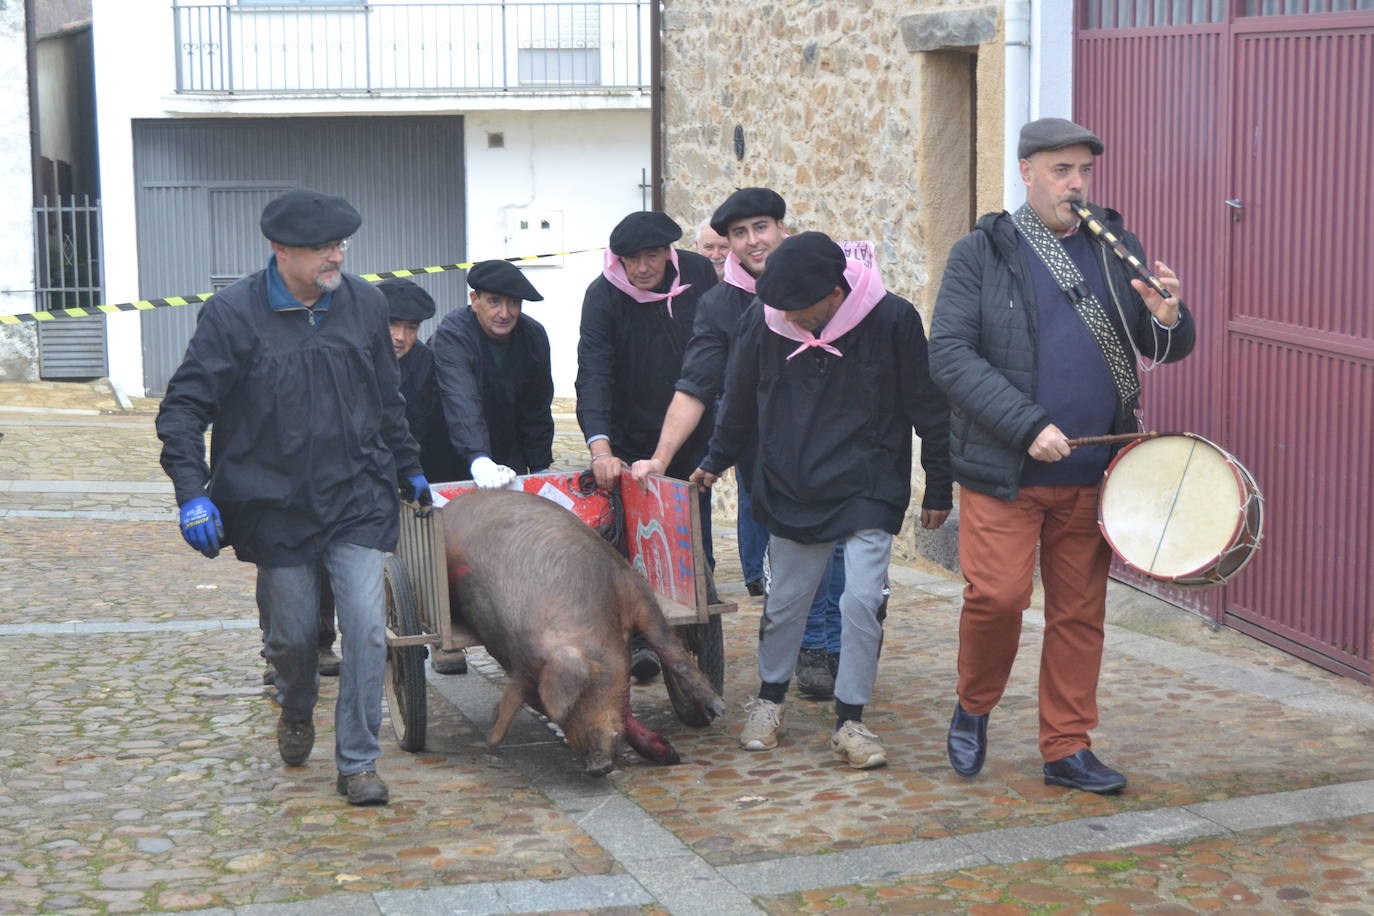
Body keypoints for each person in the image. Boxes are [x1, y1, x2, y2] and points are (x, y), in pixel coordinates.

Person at [929, 118, 1196, 794]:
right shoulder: (981, 253)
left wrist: (1168, 318)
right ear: (1026, 171)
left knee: (1079, 613)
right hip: (1006, 470)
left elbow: (1161, 350)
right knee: (998, 597)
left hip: (1094, 472)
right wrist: (1025, 426)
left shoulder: (1116, 246)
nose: (1075, 184)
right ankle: (975, 702)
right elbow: (951, 357)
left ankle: (1067, 747)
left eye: (1083, 171)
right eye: (1060, 171)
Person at [157, 187, 428, 806]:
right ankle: (296, 703)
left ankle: (358, 762)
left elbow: (388, 400)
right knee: (294, 639)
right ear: (280, 250)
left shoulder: (365, 305)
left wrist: (408, 467)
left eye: (340, 244)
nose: (336, 257)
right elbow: (183, 410)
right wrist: (192, 493)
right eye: (321, 248)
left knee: (365, 631)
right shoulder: (233, 315)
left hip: (357, 495)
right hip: (273, 504)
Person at [692, 231, 953, 769]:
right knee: (786, 601)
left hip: (868, 480)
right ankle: (768, 701)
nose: (788, 318)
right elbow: (739, 398)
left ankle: (850, 719)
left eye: (798, 309)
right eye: (780, 308)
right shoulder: (765, 320)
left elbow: (927, 405)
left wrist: (940, 480)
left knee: (861, 600)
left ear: (836, 293)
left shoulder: (893, 319)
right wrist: (715, 460)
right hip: (792, 480)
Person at [630, 187, 844, 698]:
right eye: (740, 234)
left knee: (838, 553)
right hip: (766, 450)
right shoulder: (720, 306)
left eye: (761, 228)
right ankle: (813, 645)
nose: (753, 241)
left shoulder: (827, 281)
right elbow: (695, 385)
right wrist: (662, 457)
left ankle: (834, 641)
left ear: (781, 229)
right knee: (790, 546)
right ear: (728, 243)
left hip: (835, 441)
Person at [576, 210, 718, 680]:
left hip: (691, 434)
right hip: (628, 436)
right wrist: (601, 447)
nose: (641, 268)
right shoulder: (603, 296)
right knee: (633, 541)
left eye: (651, 256)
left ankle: (695, 634)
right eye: (631, 259)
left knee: (693, 538)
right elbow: (593, 372)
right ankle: (638, 639)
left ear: (668, 253)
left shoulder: (699, 274)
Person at [431, 259, 554, 488]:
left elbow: (536, 407)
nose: (505, 313)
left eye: (514, 303)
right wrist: (478, 458)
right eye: (495, 302)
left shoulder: (533, 336)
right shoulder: (452, 336)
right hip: (453, 454)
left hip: (507, 448)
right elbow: (461, 400)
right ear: (475, 300)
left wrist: (540, 465)